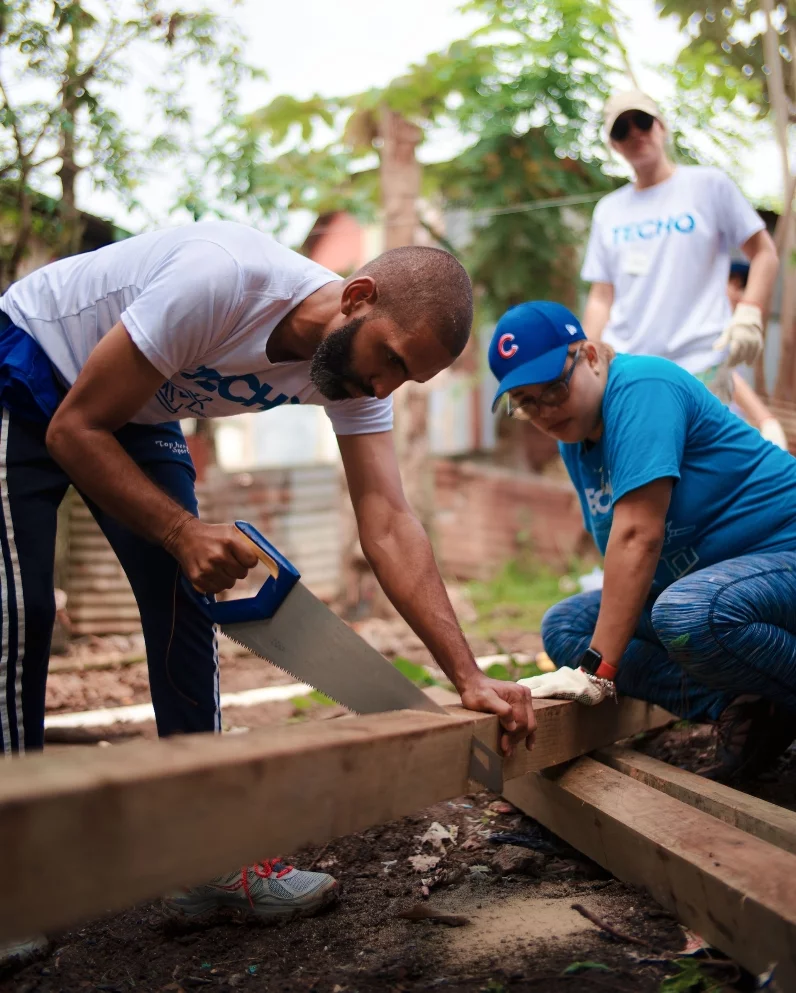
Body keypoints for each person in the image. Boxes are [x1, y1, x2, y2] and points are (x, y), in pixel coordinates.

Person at [0, 221, 535, 949]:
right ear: (357, 296)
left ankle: (208, 859)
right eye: (391, 360)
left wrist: (467, 674)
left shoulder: (357, 376)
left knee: (189, 604)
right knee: (19, 613)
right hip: (31, 371)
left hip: (140, 403)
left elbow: (389, 524)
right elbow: (73, 429)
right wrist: (182, 531)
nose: (383, 387)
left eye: (406, 381)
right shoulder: (220, 281)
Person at [488, 300, 796, 784]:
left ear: (589, 355)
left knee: (688, 614)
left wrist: (596, 671)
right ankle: (753, 710)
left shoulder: (641, 388)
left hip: (783, 552)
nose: (544, 411)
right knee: (566, 627)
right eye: (526, 402)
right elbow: (621, 554)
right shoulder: (576, 439)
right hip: (715, 587)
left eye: (552, 388)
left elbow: (638, 536)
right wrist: (590, 658)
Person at [581, 89, 782, 434]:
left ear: (662, 126)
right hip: (629, 376)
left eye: (642, 121)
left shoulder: (708, 185)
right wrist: (582, 364)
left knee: (708, 480)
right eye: (621, 129)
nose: (634, 133)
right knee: (645, 482)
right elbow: (601, 298)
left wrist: (749, 311)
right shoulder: (608, 211)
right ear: (613, 145)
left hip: (702, 373)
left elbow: (764, 253)